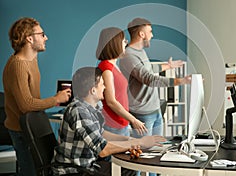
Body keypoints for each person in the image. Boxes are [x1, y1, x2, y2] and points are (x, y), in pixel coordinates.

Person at [53, 67, 165, 175]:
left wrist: (129, 139)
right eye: (102, 84)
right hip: (75, 171)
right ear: (93, 90)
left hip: (88, 165)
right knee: (126, 171)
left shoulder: (92, 108)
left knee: (128, 169)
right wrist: (139, 142)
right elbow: (103, 149)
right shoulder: (79, 111)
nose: (105, 87)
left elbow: (101, 134)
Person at [2, 17, 71, 176]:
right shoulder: (18, 65)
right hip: (22, 130)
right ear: (29, 38)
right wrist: (56, 99)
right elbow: (26, 105)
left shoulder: (32, 59)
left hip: (32, 125)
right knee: (29, 172)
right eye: (42, 34)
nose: (45, 38)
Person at [119, 17, 191, 137]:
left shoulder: (140, 51)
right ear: (141, 34)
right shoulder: (129, 55)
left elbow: (148, 70)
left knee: (156, 150)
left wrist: (167, 66)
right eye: (150, 31)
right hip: (142, 113)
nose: (152, 35)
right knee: (145, 152)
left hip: (155, 110)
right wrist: (181, 81)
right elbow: (149, 79)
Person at [96, 27, 147, 136]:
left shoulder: (114, 65)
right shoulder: (106, 68)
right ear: (115, 43)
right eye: (124, 41)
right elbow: (111, 101)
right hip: (113, 125)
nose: (126, 43)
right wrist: (133, 120)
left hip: (121, 122)